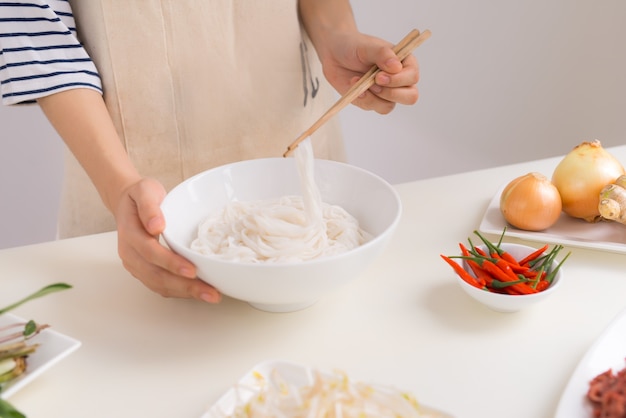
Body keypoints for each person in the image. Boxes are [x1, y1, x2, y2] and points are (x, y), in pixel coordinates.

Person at [0, 0, 421, 304]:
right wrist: (118, 186)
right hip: (128, 173)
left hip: (287, 119)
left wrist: (336, 37)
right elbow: (35, 29)